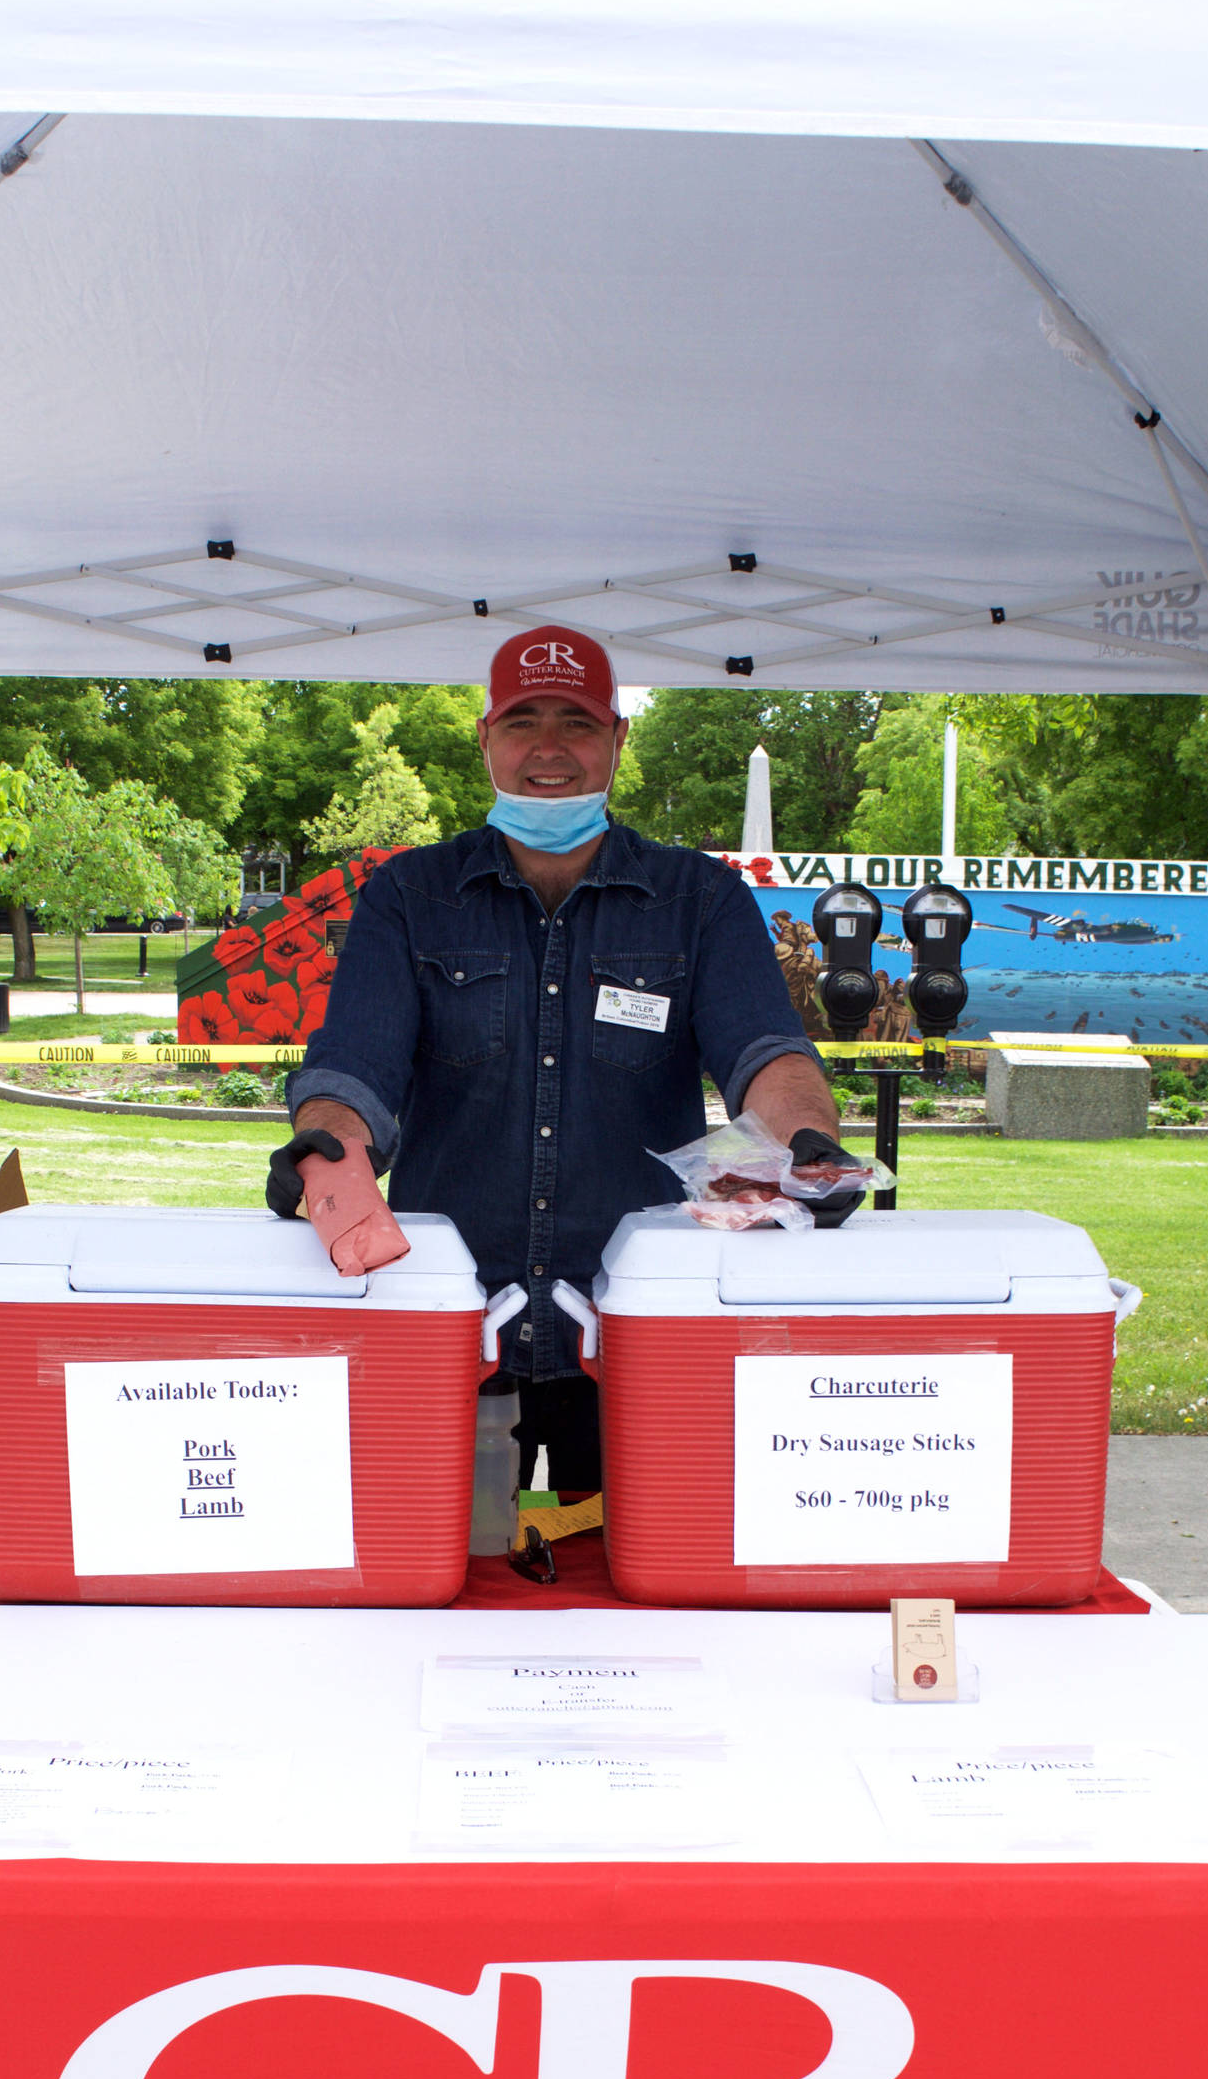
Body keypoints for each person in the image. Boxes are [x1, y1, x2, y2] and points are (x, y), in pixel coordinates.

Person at [269, 623, 861, 1498]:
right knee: (440, 1587)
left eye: (577, 722)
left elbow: (765, 1054)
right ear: (485, 739)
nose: (549, 748)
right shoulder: (410, 895)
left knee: (638, 1595)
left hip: (634, 1332)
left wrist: (807, 1139)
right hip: (450, 1327)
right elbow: (356, 1068)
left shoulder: (698, 899)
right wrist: (328, 1146)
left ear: (618, 738)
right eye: (522, 722)